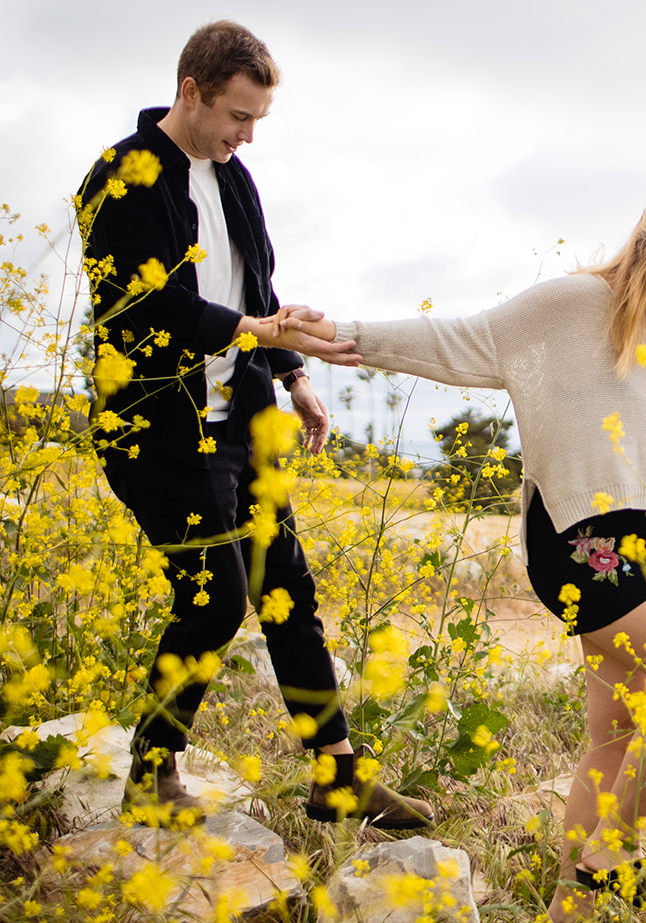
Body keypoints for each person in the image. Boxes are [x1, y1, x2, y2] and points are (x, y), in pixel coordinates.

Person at [275, 176, 646, 921]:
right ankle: (612, 852)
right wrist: (349, 339)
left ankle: (566, 917)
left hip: (644, 550)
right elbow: (463, 337)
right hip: (577, 540)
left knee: (614, 734)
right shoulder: (569, 307)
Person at [76, 20, 431, 830]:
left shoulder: (234, 179)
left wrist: (292, 370)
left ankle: (337, 773)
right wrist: (260, 333)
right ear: (191, 92)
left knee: (287, 590)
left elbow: (257, 289)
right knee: (215, 597)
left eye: (259, 121)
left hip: (241, 418)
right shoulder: (122, 176)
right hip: (157, 424)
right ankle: (152, 771)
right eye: (238, 117)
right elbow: (140, 309)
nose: (246, 136)